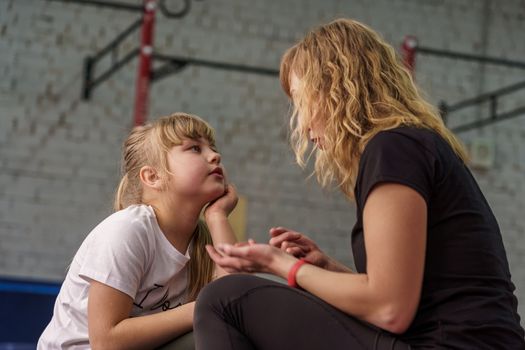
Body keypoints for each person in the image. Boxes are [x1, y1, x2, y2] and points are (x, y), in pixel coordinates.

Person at [193, 18, 525, 349]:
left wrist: (279, 263)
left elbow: (390, 310)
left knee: (224, 299)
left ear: (335, 90)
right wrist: (327, 268)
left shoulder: (394, 148)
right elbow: (406, 298)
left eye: (302, 102)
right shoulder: (411, 144)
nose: (305, 127)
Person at [38, 112, 238, 349]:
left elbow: (236, 302)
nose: (215, 155)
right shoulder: (128, 229)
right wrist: (205, 306)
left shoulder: (201, 239)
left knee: (227, 332)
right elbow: (107, 341)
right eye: (195, 148)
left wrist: (217, 216)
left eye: (212, 147)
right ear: (153, 176)